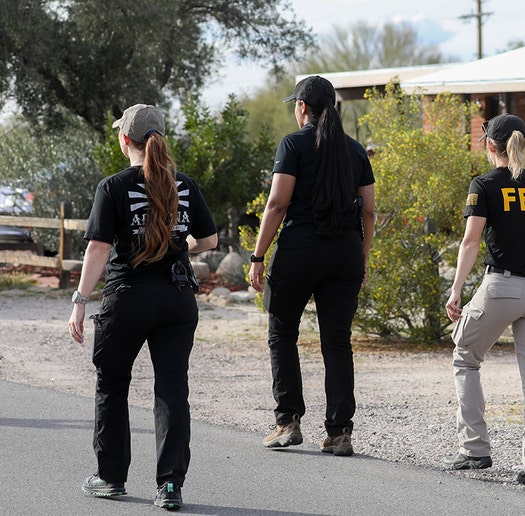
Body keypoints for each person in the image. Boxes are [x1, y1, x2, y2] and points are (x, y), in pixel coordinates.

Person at [69, 104, 218, 510]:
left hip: (129, 299)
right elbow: (209, 241)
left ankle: (110, 477)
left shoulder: (113, 187)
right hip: (177, 298)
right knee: (172, 389)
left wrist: (80, 300)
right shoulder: (184, 184)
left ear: (124, 140)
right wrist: (178, 243)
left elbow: (99, 248)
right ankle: (170, 486)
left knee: (113, 385)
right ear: (160, 139)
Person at [248, 75, 375, 456]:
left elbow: (277, 204)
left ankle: (287, 422)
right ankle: (339, 432)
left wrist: (257, 256)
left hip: (300, 251)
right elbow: (368, 211)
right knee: (337, 342)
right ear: (332, 107)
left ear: (302, 106)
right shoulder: (355, 151)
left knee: (282, 333)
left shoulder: (293, 144)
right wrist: (362, 258)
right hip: (345, 254)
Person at [444, 114, 525, 488]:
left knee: (465, 357)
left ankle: (475, 448)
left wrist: (456, 289)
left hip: (502, 287)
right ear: (522, 143)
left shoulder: (484, 184)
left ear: (489, 145)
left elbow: (471, 242)